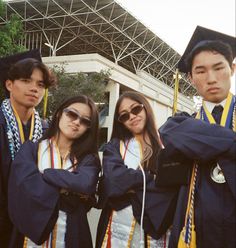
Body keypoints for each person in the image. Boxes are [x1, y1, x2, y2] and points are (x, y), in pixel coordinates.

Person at [157, 26, 236, 248]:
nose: (211, 78)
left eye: (218, 68)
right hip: (197, 230)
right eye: (200, 71)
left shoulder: (186, 129)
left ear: (232, 69)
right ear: (191, 78)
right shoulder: (180, 124)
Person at [8, 95, 101, 247]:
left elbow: (84, 184)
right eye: (72, 114)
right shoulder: (31, 149)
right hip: (30, 231)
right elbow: (23, 188)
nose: (77, 122)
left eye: (85, 121)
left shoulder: (88, 159)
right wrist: (68, 191)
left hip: (72, 233)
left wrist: (46, 174)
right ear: (59, 113)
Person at [96, 91, 178, 248]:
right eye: (124, 116)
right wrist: (151, 178)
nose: (132, 117)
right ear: (120, 122)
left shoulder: (166, 143)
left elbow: (173, 185)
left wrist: (130, 187)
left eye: (136, 109)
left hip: (159, 228)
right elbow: (114, 181)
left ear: (145, 107)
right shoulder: (115, 146)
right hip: (118, 226)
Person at [0, 49, 56, 247]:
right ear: (9, 84)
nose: (34, 89)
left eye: (40, 84)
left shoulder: (49, 130)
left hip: (33, 220)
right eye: (26, 80)